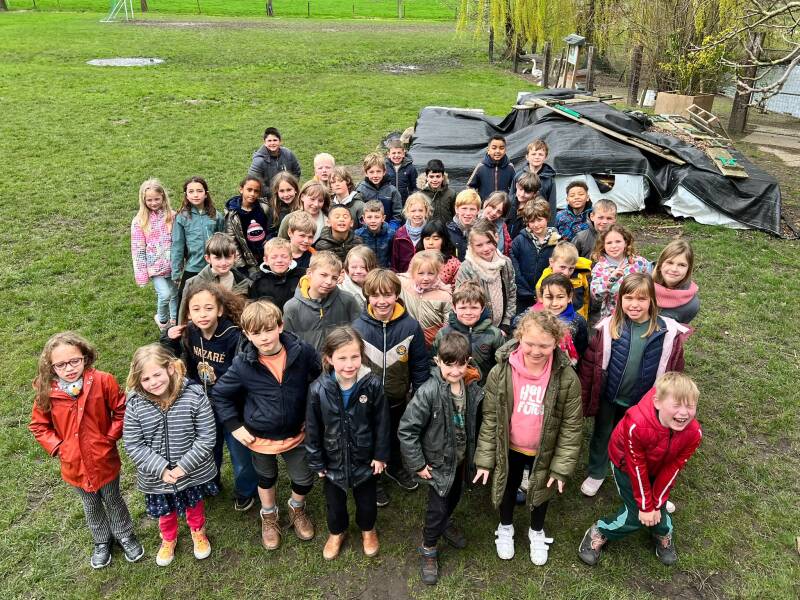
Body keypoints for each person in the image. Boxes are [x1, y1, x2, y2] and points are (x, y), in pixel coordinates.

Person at [473, 311, 582, 566]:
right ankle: (505, 526)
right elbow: (491, 418)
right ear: (519, 337)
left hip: (544, 450)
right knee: (507, 487)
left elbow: (571, 426)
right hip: (509, 447)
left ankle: (537, 531)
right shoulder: (501, 372)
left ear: (556, 343)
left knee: (541, 490)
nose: (536, 351)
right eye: (530, 343)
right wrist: (485, 460)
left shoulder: (566, 378)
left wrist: (561, 468)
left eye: (544, 345)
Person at [211, 300, 322, 551]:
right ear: (247, 334)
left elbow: (320, 378)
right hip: (260, 437)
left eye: (269, 330)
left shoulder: (302, 352)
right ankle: (269, 514)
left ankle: (296, 507)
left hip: (297, 432)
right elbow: (220, 394)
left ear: (280, 326)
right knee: (266, 478)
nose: (264, 337)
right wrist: (235, 426)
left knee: (304, 478)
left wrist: (312, 414)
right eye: (256, 333)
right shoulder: (243, 364)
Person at [29, 332, 142, 569]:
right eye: (61, 365)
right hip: (74, 465)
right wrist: (59, 448)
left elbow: (122, 411)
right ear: (51, 366)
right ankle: (102, 541)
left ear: (85, 357)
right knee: (91, 505)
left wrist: (108, 438)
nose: (69, 368)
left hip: (104, 460)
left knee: (113, 499)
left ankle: (124, 534)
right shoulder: (46, 391)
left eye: (74, 361)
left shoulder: (103, 381)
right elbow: (39, 426)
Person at [579, 273, 690, 498]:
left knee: (637, 438)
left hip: (643, 402)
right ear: (620, 299)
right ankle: (597, 471)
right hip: (610, 396)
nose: (634, 304)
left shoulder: (666, 332)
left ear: (652, 301)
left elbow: (674, 368)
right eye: (628, 298)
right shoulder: (609, 327)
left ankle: (633, 472)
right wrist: (586, 393)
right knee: (602, 433)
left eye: (641, 299)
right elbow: (592, 362)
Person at [578, 372, 702, 567]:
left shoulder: (694, 433)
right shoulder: (637, 424)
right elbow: (637, 468)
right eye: (676, 405)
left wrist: (656, 503)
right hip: (627, 465)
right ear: (657, 402)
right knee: (636, 516)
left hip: (659, 465)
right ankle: (600, 530)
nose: (684, 413)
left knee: (658, 507)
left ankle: (662, 532)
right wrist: (645, 507)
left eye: (690, 406)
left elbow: (673, 469)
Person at [162, 281, 258, 509]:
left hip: (232, 405)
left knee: (240, 453)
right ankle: (210, 483)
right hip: (203, 404)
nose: (202, 314)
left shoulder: (233, 336)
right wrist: (168, 339)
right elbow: (170, 360)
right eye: (196, 309)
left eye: (209, 308)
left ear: (220, 310)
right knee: (208, 449)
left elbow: (242, 372)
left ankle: (246, 491)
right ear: (188, 312)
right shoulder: (190, 332)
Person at [398, 332, 484, 585]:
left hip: (460, 459)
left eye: (461, 364)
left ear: (468, 361)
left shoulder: (471, 387)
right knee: (437, 508)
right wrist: (417, 464)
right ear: (437, 361)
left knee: (455, 496)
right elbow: (407, 430)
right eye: (449, 364)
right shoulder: (428, 392)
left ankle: (446, 523)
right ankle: (429, 547)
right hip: (437, 464)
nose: (455, 371)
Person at [124, 344, 217, 567]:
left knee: (194, 504)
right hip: (158, 477)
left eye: (157, 374)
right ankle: (168, 538)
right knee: (165, 511)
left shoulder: (195, 395)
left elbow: (206, 436)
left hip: (192, 472)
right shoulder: (135, 405)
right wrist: (161, 469)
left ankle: (198, 532)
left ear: (170, 368)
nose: (153, 382)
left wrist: (184, 467)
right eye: (146, 379)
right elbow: (134, 444)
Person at [305, 327, 391, 560]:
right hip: (332, 459)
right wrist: (317, 461)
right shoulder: (318, 389)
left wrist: (380, 455)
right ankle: (337, 532)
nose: (349, 364)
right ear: (329, 358)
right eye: (342, 358)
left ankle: (368, 530)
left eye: (355, 356)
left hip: (366, 459)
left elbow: (382, 423)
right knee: (334, 504)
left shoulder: (373, 385)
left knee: (367, 502)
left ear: (362, 355)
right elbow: (312, 429)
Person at [352, 269, 429, 506]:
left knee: (396, 435)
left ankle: (394, 466)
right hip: (367, 401)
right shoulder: (358, 327)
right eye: (375, 295)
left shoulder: (411, 327)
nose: (382, 301)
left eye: (387, 295)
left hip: (397, 398)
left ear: (397, 294)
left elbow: (419, 364)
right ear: (367, 296)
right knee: (369, 439)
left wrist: (419, 393)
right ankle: (373, 478)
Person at [284, 251, 361, 351]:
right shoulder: (292, 307)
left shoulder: (347, 300)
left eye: (334, 278)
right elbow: (289, 343)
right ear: (309, 273)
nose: (329, 282)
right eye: (324, 275)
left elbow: (359, 333)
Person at [432, 281, 504, 386]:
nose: (468, 312)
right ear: (454, 308)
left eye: (474, 307)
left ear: (482, 308)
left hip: (485, 389)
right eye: (463, 308)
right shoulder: (443, 334)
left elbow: (502, 366)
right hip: (451, 388)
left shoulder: (494, 334)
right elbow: (433, 364)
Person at [131, 178, 178, 331]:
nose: (153, 203)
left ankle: (175, 320)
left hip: (173, 264)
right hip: (155, 267)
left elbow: (179, 241)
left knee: (175, 293)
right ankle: (162, 320)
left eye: (157, 199)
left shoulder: (172, 216)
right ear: (143, 200)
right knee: (165, 294)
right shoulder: (139, 221)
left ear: (163, 197)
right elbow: (138, 249)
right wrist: (141, 274)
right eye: (149, 200)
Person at [456, 219, 517, 335]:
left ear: (496, 237)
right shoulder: (467, 268)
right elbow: (463, 302)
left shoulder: (505, 263)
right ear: (471, 246)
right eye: (479, 245)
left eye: (489, 242)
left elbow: (511, 292)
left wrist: (506, 323)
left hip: (501, 329)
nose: (486, 248)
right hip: (477, 331)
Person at [178, 233, 252, 323]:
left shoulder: (243, 282)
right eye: (218, 258)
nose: (223, 263)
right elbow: (183, 318)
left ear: (235, 257)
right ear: (208, 258)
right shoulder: (193, 283)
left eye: (228, 257)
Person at [171, 176, 225, 298]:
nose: (195, 195)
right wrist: (176, 272)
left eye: (199, 191)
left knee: (215, 299)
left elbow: (223, 243)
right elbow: (177, 245)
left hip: (213, 268)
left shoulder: (217, 216)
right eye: (191, 191)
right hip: (193, 267)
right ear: (186, 195)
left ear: (206, 194)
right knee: (185, 300)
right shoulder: (181, 217)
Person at [590, 224, 651, 319]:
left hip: (639, 313)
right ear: (603, 245)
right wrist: (611, 280)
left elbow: (652, 286)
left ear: (626, 243)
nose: (614, 246)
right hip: (614, 317)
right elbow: (596, 295)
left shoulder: (640, 263)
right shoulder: (600, 268)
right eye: (609, 243)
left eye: (618, 241)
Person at [511, 200, 560, 314]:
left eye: (539, 220)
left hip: (547, 295)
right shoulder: (519, 241)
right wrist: (526, 291)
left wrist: (544, 292)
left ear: (547, 218)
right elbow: (514, 268)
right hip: (522, 296)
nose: (536, 225)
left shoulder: (557, 242)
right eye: (532, 221)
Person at [399, 251, 453, 347]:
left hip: (433, 343)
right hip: (407, 340)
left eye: (431, 273)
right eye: (421, 273)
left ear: (437, 273)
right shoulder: (403, 286)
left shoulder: (444, 296)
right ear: (412, 273)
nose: (426, 278)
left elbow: (448, 323)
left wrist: (442, 342)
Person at [224, 175, 271, 274]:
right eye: (249, 190)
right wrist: (241, 265)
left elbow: (271, 227)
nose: (252, 194)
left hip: (266, 255)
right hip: (248, 261)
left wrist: (269, 239)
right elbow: (232, 241)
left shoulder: (264, 207)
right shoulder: (233, 214)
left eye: (256, 191)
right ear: (241, 189)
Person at [535, 241, 592, 320]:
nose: (566, 273)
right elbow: (540, 300)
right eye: (562, 267)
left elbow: (586, 299)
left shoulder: (580, 276)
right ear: (551, 262)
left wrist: (584, 318)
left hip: (577, 319)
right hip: (554, 320)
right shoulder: (544, 280)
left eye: (571, 268)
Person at [539, 273, 589, 360]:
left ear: (569, 297)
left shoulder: (578, 321)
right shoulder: (533, 318)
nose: (554, 303)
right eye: (549, 297)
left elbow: (582, 350)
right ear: (541, 297)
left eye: (560, 297)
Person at [250, 237, 306, 307]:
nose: (279, 260)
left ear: (291, 259)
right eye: (274, 257)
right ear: (266, 260)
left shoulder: (302, 276)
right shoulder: (257, 282)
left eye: (284, 256)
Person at [653, 240, 700, 324]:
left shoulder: (691, 305)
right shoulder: (641, 284)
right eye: (670, 262)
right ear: (660, 264)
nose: (674, 269)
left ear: (688, 269)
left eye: (682, 265)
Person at [355, 152, 402, 231]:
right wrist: (367, 228)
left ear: (384, 172)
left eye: (378, 171)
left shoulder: (392, 191)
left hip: (388, 231)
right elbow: (360, 215)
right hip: (367, 231)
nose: (375, 175)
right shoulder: (360, 190)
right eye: (371, 172)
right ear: (366, 173)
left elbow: (397, 215)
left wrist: (390, 230)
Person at [510, 140, 555, 218]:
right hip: (518, 218)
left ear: (545, 157)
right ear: (527, 157)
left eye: (540, 154)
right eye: (533, 154)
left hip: (537, 219)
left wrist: (549, 224)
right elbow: (512, 197)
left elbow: (552, 205)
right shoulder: (519, 176)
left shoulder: (549, 180)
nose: (537, 157)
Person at [466, 134, 515, 200]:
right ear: (488, 150)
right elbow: (470, 186)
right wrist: (478, 201)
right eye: (494, 148)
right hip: (485, 205)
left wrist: (510, 200)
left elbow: (515, 187)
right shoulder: (481, 167)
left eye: (501, 148)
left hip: (504, 205)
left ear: (505, 150)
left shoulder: (510, 167)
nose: (497, 151)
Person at [392, 192, 431, 274]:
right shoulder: (399, 234)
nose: (417, 214)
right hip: (404, 276)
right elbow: (394, 261)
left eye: (421, 210)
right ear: (407, 212)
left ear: (426, 211)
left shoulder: (430, 233)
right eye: (413, 211)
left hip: (425, 276)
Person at [417, 219, 461, 289]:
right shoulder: (417, 259)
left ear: (444, 240)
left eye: (436, 239)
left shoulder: (454, 264)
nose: (430, 243)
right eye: (427, 239)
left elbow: (457, 290)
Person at [355, 200, 395, 268]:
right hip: (366, 270)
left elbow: (393, 257)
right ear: (364, 218)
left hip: (384, 270)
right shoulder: (358, 235)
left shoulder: (391, 234)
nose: (373, 221)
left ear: (383, 218)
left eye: (377, 217)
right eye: (369, 217)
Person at [416, 159, 456, 225]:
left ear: (443, 177)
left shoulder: (451, 194)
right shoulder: (420, 195)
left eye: (438, 176)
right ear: (427, 177)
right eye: (431, 177)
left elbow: (455, 215)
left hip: (447, 229)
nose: (435, 180)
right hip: (427, 229)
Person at [338, 245, 378, 310]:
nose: (358, 271)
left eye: (363, 267)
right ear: (347, 267)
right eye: (353, 267)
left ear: (373, 267)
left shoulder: (380, 284)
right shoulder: (340, 287)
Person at [447, 189, 481, 261]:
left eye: (472, 209)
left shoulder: (482, 232)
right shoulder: (447, 233)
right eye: (464, 208)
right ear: (456, 209)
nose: (468, 213)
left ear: (478, 211)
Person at [508, 172, 543, 238]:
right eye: (520, 189)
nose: (522, 194)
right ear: (516, 186)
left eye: (527, 192)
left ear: (535, 193)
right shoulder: (508, 202)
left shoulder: (537, 210)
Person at [267, 171, 301, 239]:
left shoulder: (302, 206)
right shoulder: (274, 209)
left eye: (289, 190)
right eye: (282, 191)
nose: (286, 195)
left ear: (295, 190)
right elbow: (270, 232)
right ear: (277, 192)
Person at [384, 139, 418, 203]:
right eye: (393, 153)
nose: (396, 155)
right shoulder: (384, 168)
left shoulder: (411, 168)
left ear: (403, 154)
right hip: (389, 201)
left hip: (406, 202)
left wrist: (413, 199)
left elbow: (415, 186)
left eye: (399, 153)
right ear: (389, 155)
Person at [481, 191, 512, 256]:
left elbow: (501, 250)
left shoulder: (500, 226)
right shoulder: (473, 219)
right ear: (486, 203)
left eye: (499, 212)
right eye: (493, 207)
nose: (494, 213)